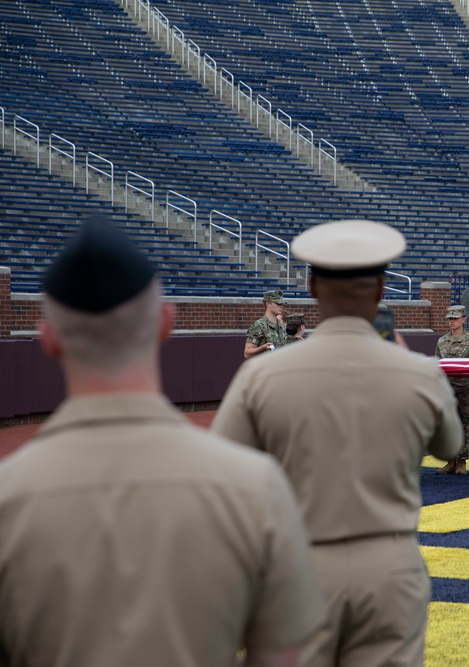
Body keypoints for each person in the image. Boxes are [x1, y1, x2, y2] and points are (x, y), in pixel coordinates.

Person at [0, 215, 324, 667]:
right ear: (165, 324)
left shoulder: (8, 500)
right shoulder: (256, 487)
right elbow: (283, 656)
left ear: (49, 340)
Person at [213, 219, 463, 667]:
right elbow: (450, 445)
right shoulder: (419, 373)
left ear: (312, 286)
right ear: (382, 288)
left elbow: (222, 469)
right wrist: (403, 359)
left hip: (299, 566)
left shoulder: (264, 377)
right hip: (389, 564)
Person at [434, 305, 469, 475]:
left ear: (464, 319)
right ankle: (450, 461)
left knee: (464, 424)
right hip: (446, 388)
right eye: (450, 318)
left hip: (464, 388)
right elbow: (438, 363)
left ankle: (461, 461)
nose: (452, 321)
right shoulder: (442, 341)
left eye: (455, 318)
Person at [244, 290, 287, 358]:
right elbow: (247, 353)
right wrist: (262, 348)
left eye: (282, 304)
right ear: (268, 304)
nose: (281, 306)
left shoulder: (281, 326)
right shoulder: (258, 325)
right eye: (278, 303)